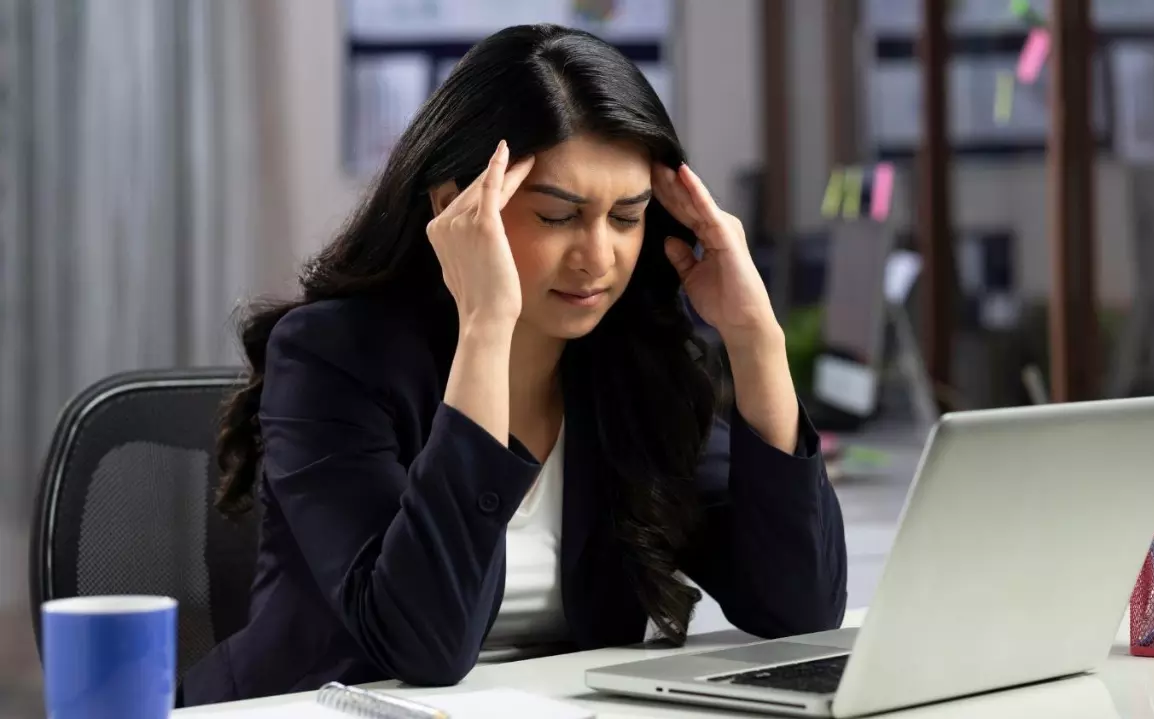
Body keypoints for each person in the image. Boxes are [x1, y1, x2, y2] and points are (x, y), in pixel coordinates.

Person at [180, 23, 847, 707]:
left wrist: (754, 337)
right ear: (455, 207)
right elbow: (425, 642)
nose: (598, 256)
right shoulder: (333, 356)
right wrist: (486, 327)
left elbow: (798, 609)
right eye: (559, 216)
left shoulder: (629, 366)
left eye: (626, 216)